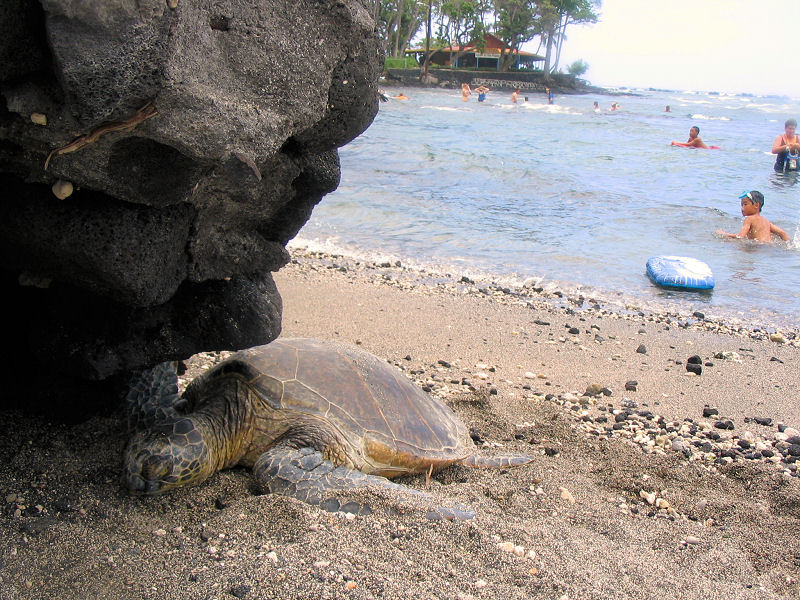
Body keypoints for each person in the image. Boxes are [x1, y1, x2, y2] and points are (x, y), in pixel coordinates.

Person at [715, 190, 789, 243]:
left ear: (756, 205)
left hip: (758, 247)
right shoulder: (766, 221)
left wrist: (724, 234)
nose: (742, 208)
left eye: (745, 204)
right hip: (769, 247)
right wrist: (788, 244)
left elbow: (740, 236)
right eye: (741, 205)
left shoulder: (749, 219)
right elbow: (782, 233)